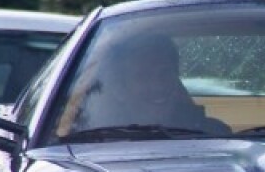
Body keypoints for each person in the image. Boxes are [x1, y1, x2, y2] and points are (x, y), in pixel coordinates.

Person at [77, 33, 230, 134]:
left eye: (164, 74)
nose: (158, 86)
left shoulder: (216, 134)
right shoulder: (93, 141)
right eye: (143, 77)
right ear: (120, 89)